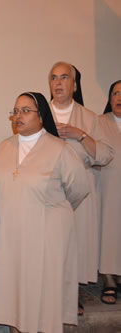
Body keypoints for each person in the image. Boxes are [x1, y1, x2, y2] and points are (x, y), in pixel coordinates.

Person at [0, 92, 90, 333]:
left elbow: (79, 188)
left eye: (25, 110)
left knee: (41, 292)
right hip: (8, 233)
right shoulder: (4, 146)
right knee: (13, 291)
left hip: (46, 233)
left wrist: (51, 211)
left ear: (41, 115)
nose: (18, 116)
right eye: (15, 111)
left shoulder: (59, 149)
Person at [48, 62, 113, 314]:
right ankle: (51, 290)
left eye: (64, 77)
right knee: (51, 243)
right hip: (48, 190)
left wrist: (81, 135)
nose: (58, 82)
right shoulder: (39, 114)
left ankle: (71, 292)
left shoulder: (90, 118)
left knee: (75, 243)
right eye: (54, 78)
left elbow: (106, 155)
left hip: (80, 190)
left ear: (74, 85)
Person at [98, 79, 121, 305]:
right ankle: (109, 280)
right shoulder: (99, 122)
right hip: (107, 186)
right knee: (109, 232)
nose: (119, 97)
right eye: (115, 92)